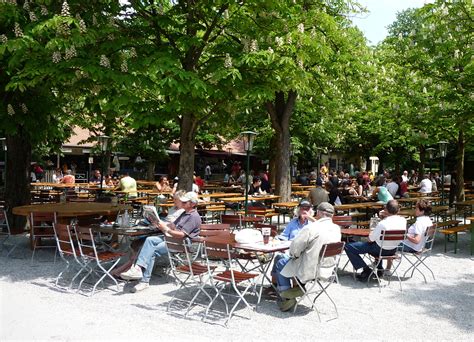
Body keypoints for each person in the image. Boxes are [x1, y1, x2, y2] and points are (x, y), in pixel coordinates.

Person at [120, 191, 201, 292]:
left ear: (192, 204)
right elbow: (172, 225)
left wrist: (166, 229)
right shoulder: (184, 213)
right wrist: (158, 222)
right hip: (172, 239)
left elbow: (181, 235)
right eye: (183, 202)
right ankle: (138, 269)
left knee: (152, 250)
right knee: (150, 240)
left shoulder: (193, 216)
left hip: (181, 243)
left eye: (185, 202)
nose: (182, 204)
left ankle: (144, 281)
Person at [273, 202, 341, 312]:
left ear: (318, 213)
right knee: (285, 260)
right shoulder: (336, 228)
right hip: (328, 269)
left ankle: (287, 296)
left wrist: (294, 255)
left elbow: (294, 251)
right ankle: (296, 289)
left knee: (280, 262)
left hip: (309, 270)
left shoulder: (311, 228)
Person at [344, 199, 407, 281]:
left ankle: (366, 270)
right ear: (398, 210)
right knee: (377, 243)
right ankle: (379, 268)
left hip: (379, 250)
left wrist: (381, 220)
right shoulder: (403, 220)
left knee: (348, 246)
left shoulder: (383, 223)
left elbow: (370, 239)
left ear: (386, 210)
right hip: (393, 250)